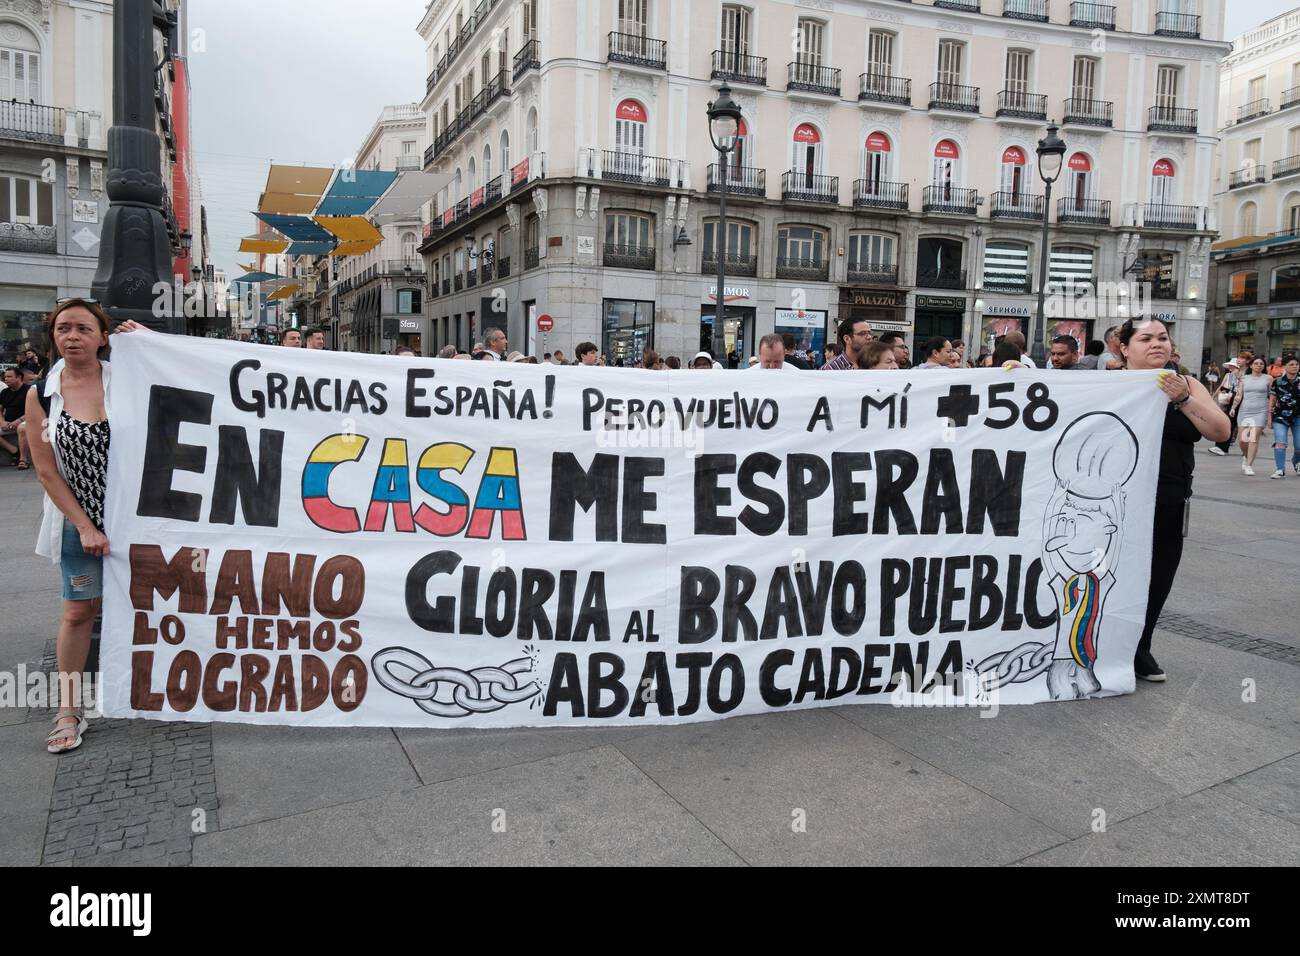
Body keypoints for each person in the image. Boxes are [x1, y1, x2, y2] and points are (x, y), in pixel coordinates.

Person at [27, 300, 148, 752]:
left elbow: (185, 386)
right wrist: (85, 527)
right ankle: (68, 710)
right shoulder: (41, 394)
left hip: (135, 518)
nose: (71, 336)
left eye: (82, 328)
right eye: (62, 329)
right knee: (79, 611)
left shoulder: (129, 380)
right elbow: (45, 470)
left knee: (153, 606)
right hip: (78, 522)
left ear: (103, 337)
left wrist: (148, 344)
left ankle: (158, 690)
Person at [1120, 317, 1230, 681]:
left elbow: (1220, 431)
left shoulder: (1187, 385)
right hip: (1115, 503)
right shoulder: (1106, 384)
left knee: (1159, 575)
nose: (1157, 344)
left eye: (1163, 338)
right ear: (1124, 348)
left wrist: (1182, 398)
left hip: (1168, 497)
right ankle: (1103, 644)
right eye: (1146, 338)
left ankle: (1140, 647)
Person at [1231, 357, 1270, 476]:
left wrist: (1271, 411)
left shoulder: (1268, 378)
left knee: (1253, 438)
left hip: (1261, 411)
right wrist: (1233, 407)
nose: (1259, 365)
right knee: (1242, 440)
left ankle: (1249, 465)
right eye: (1256, 363)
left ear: (1264, 366)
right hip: (1245, 411)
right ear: (1251, 366)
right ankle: (1245, 456)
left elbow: (1272, 396)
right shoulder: (1244, 378)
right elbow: (1238, 395)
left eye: (1261, 364)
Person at [1268, 354, 1300, 478]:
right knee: (1280, 442)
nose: (1295, 367)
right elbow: (1272, 401)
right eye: (1291, 364)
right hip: (1280, 417)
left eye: (1297, 364)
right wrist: (1270, 418)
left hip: (1298, 417)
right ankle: (1280, 469)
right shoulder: (1278, 382)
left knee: (1299, 445)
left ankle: (1296, 461)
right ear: (1284, 367)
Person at [1209, 359, 1241, 456]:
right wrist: (1214, 396)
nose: (1230, 368)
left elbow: (1233, 388)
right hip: (1227, 399)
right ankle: (1221, 445)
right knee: (1227, 421)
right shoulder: (1229, 375)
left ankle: (1222, 445)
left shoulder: (1238, 375)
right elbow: (1222, 386)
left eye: (1232, 366)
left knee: (1229, 422)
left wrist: (1216, 395)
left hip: (1233, 399)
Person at [1, 365, 31, 467]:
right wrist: (2, 422)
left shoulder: (30, 390)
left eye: (9, 376)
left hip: (26, 421)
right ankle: (13, 450)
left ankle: (23, 460)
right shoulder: (4, 392)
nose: (6, 379)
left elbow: (33, 411)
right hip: (8, 423)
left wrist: (18, 421)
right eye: (5, 377)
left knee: (22, 428)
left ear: (18, 377)